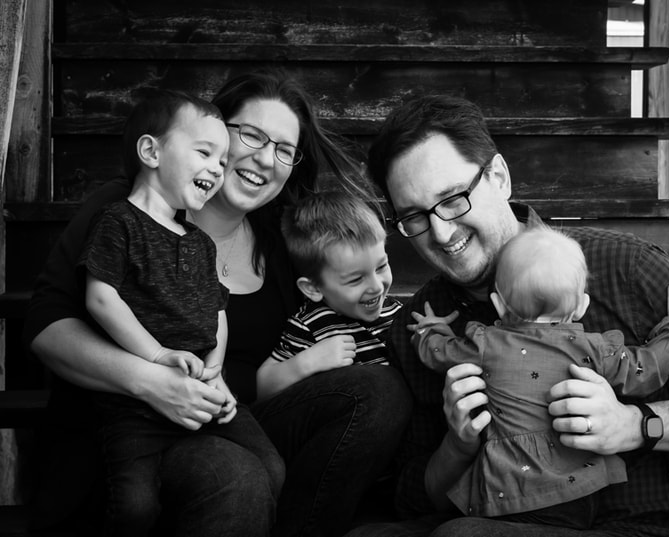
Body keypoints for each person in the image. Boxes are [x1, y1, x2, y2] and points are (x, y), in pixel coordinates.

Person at [345, 94, 669, 536]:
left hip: (633, 526)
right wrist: (457, 445)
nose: (440, 231)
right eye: (413, 216)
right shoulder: (421, 322)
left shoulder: (622, 267)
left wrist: (634, 425)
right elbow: (412, 497)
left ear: (498, 177)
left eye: (453, 199)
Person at [24, 70, 411, 537]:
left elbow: (350, 307)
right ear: (213, 131)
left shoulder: (281, 244)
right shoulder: (127, 209)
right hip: (127, 431)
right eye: (251, 134)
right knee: (233, 472)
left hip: (235, 421)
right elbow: (47, 328)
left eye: (284, 149)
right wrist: (152, 381)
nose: (265, 159)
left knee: (378, 390)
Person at [407, 226, 669, 527]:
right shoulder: (593, 349)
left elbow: (438, 352)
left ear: (498, 303)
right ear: (581, 307)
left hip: (509, 488)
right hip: (580, 487)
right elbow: (647, 368)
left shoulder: (485, 345)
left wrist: (429, 329)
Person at [79, 90, 280, 536]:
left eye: (222, 160)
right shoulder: (118, 222)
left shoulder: (199, 242)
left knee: (271, 466)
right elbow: (100, 298)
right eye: (204, 152)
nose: (217, 168)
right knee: (134, 508)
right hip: (135, 407)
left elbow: (218, 313)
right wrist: (155, 357)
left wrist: (215, 370)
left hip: (202, 391)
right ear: (151, 151)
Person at [260, 191, 402, 398]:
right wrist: (307, 362)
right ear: (314, 289)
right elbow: (262, 387)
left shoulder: (396, 312)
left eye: (381, 266)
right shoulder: (310, 326)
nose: (377, 287)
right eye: (355, 279)